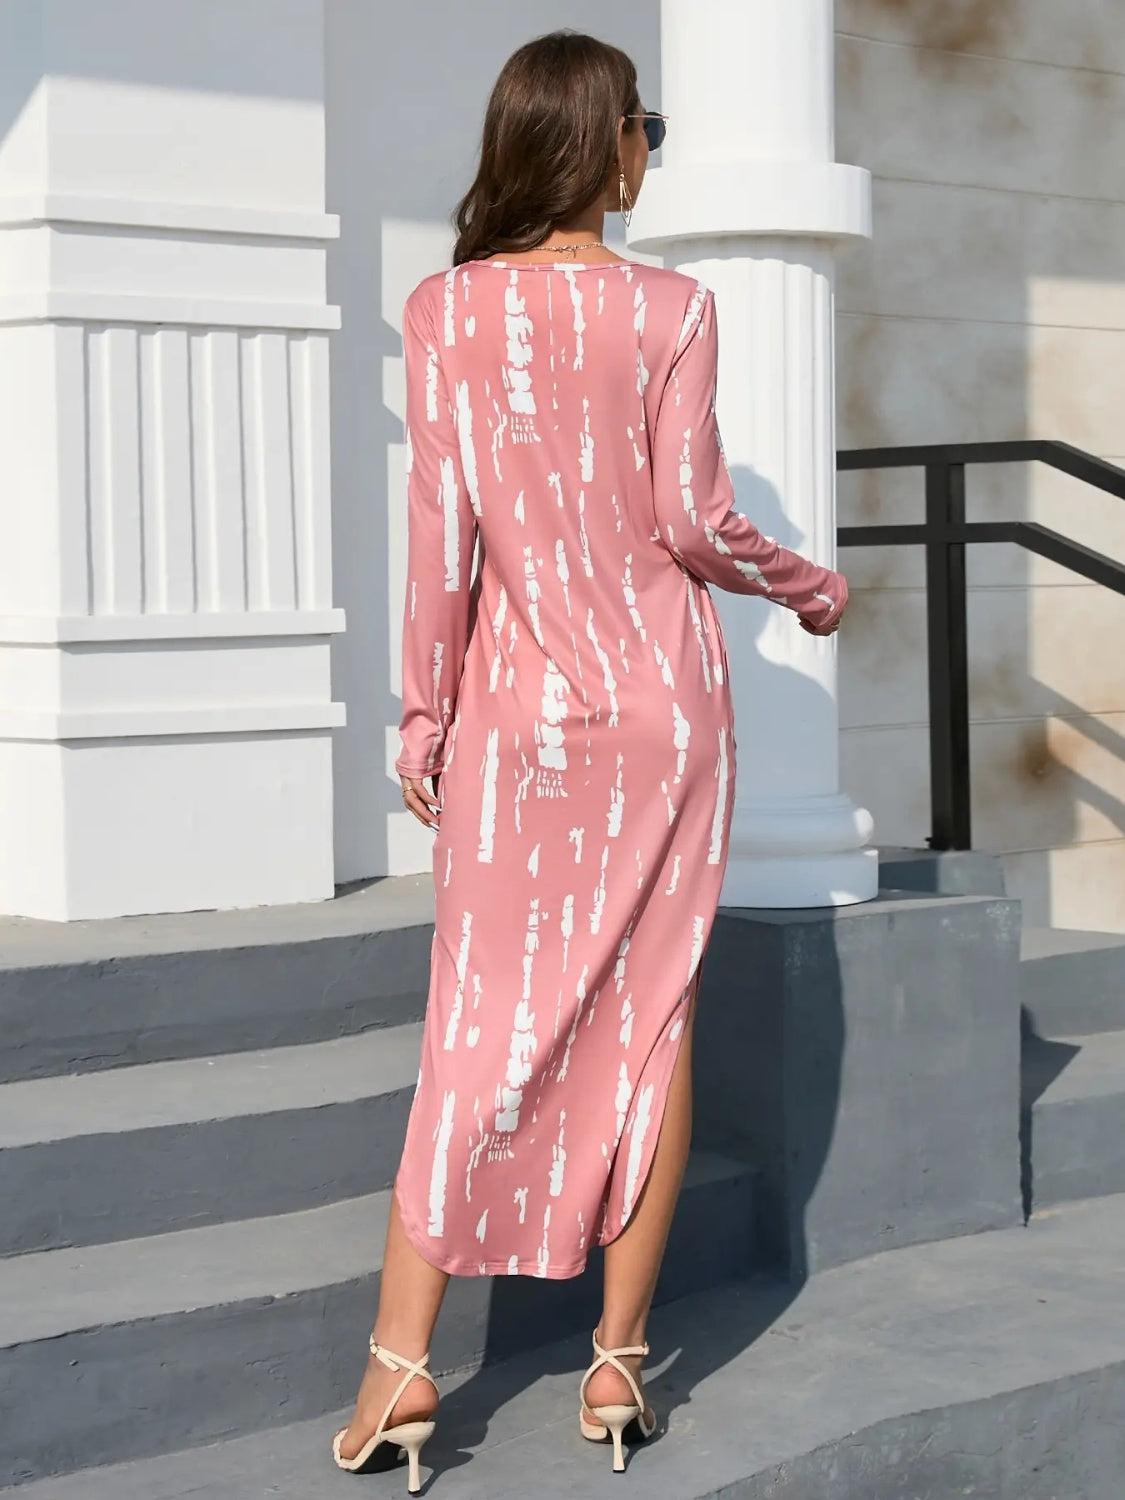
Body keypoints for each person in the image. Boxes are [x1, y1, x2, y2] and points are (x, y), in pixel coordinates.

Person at [332, 28, 849, 1492]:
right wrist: (803, 582)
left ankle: (399, 1372)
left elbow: (446, 543)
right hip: (661, 716)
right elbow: (694, 520)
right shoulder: (671, 309)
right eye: (646, 127)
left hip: (514, 723)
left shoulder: (443, 313)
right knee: (647, 1021)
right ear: (601, 139)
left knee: (475, 1027)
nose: (650, 150)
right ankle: (616, 1365)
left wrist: (418, 717)